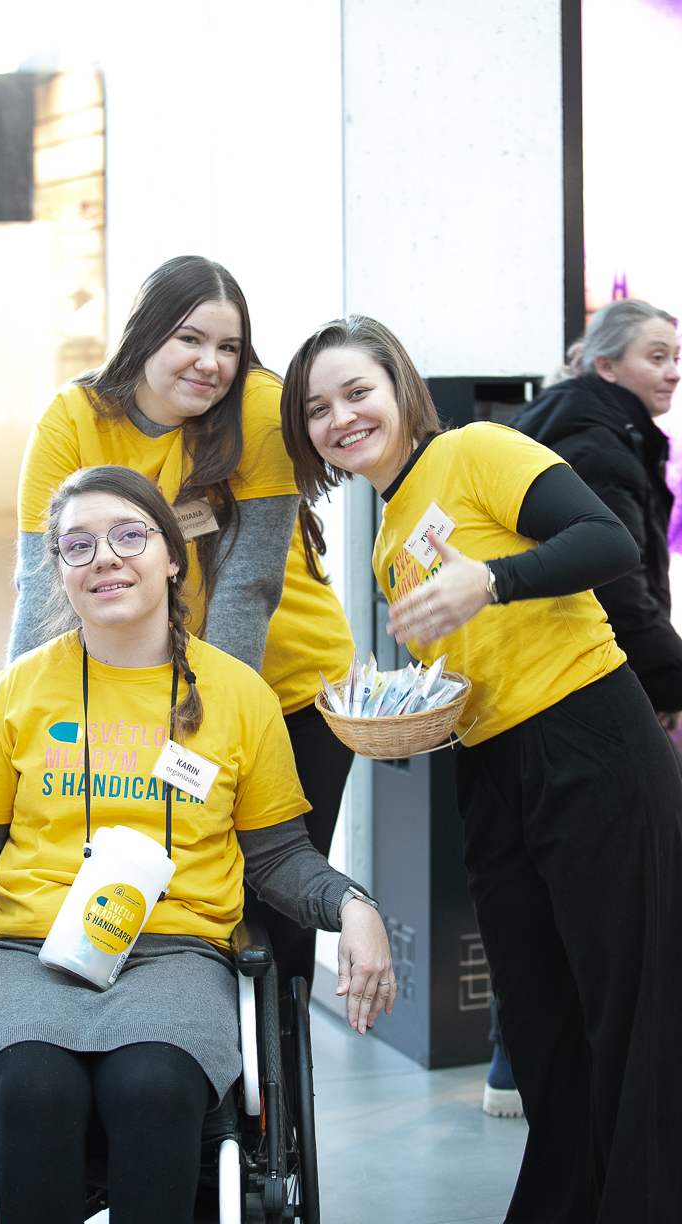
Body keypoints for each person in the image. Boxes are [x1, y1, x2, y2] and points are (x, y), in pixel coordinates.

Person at [0, 466, 394, 1224]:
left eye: (128, 536)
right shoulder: (23, 689)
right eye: (78, 545)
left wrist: (351, 905)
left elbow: (277, 858)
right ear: (60, 572)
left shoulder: (239, 695)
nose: (104, 557)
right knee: (35, 1090)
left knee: (154, 1089)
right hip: (28, 956)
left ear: (171, 556)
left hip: (176, 958)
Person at [279, 315, 682, 1224]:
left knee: (631, 1014)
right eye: (317, 409)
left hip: (590, 740)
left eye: (357, 392)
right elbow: (468, 666)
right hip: (493, 769)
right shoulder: (386, 538)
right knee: (541, 1026)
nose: (341, 418)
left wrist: (492, 581)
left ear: (399, 388)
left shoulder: (477, 451)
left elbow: (607, 540)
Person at [9, 255, 355, 994]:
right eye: (189, 339)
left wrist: (209, 715)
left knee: (269, 905)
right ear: (145, 333)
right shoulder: (73, 418)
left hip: (285, 689)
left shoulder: (258, 408)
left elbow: (248, 585)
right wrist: (21, 719)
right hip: (148, 689)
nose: (211, 364)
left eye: (229, 346)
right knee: (150, 885)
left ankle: (267, 1055)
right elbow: (42, 588)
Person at [512, 299, 682, 735]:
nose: (673, 373)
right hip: (583, 686)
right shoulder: (597, 448)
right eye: (657, 358)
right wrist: (669, 684)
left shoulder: (593, 426)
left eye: (676, 358)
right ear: (606, 366)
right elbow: (618, 590)